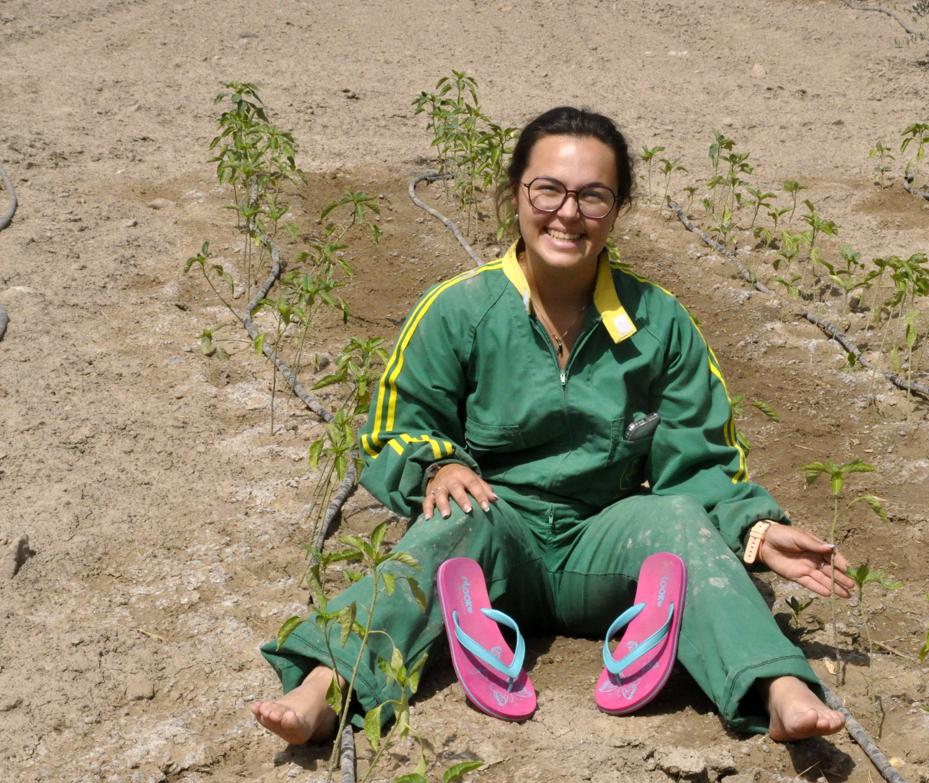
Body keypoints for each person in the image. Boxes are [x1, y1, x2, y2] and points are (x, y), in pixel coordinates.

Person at [252, 106, 853, 746]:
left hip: (606, 538)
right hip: (494, 535)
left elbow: (699, 461)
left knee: (677, 520)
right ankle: (325, 684)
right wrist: (440, 464)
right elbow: (401, 423)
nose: (568, 213)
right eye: (549, 190)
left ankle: (776, 684)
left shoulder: (661, 323)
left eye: (593, 197)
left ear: (617, 209)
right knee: (450, 521)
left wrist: (755, 530)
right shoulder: (460, 310)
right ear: (516, 193)